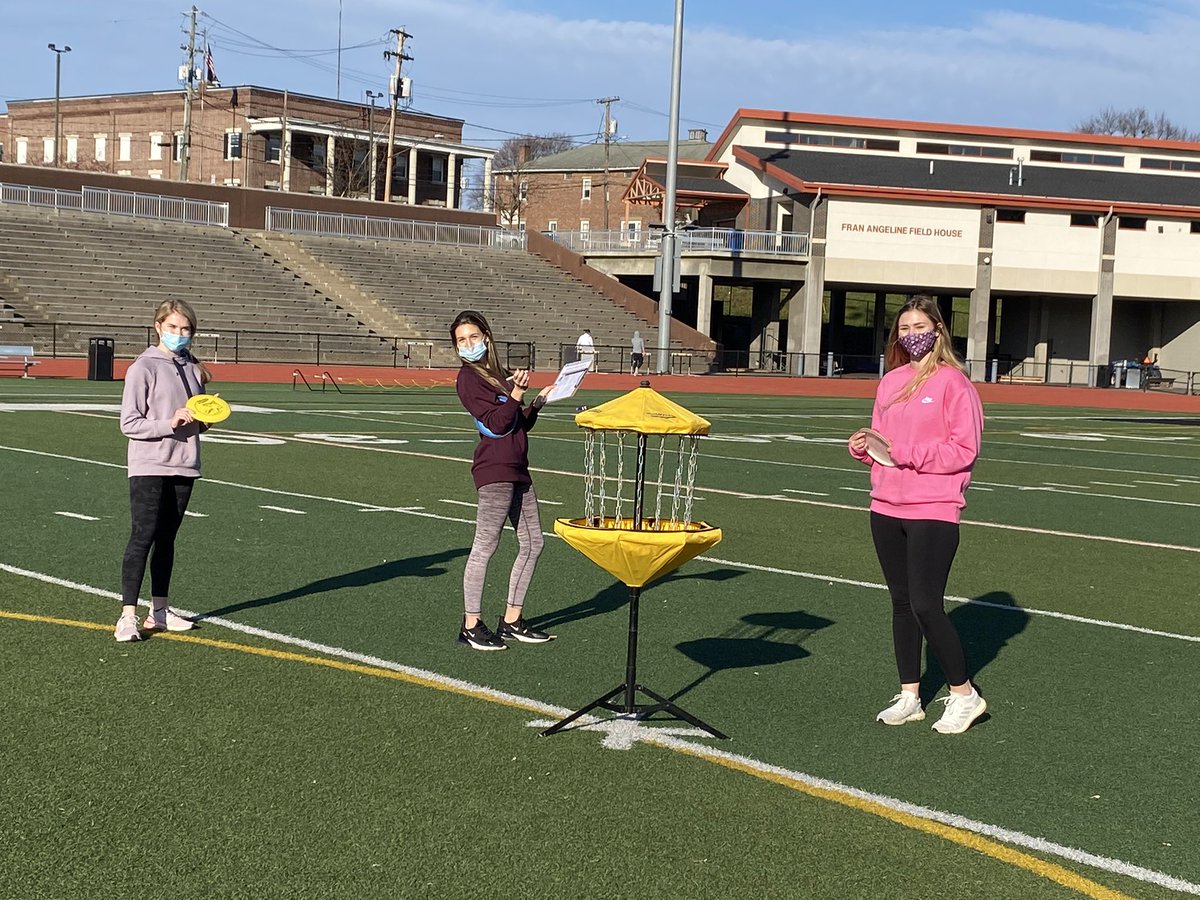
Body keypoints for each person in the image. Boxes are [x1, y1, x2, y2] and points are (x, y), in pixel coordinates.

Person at [847, 294, 987, 734]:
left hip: (934, 508)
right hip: (886, 506)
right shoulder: (890, 381)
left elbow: (964, 450)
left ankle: (965, 695)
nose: (911, 336)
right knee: (902, 604)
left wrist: (903, 454)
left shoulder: (954, 383)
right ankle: (910, 694)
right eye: (904, 329)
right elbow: (882, 443)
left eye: (919, 327)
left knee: (927, 604)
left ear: (938, 330)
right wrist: (865, 449)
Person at [452, 310, 556, 650]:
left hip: (517, 467)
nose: (468, 344)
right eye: (461, 341)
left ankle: (512, 619)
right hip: (495, 470)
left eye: (472, 337)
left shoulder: (496, 374)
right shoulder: (468, 379)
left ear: (486, 336)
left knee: (533, 543)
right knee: (486, 545)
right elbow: (495, 424)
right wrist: (514, 395)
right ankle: (471, 625)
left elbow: (516, 424)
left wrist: (537, 402)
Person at [115, 299, 212, 642]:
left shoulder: (193, 369)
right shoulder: (144, 366)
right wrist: (168, 423)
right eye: (172, 327)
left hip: (184, 464)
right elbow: (129, 423)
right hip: (149, 464)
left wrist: (205, 421)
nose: (179, 334)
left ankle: (160, 611)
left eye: (185, 329)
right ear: (158, 327)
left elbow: (196, 421)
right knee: (143, 536)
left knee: (167, 540)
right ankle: (127, 616)